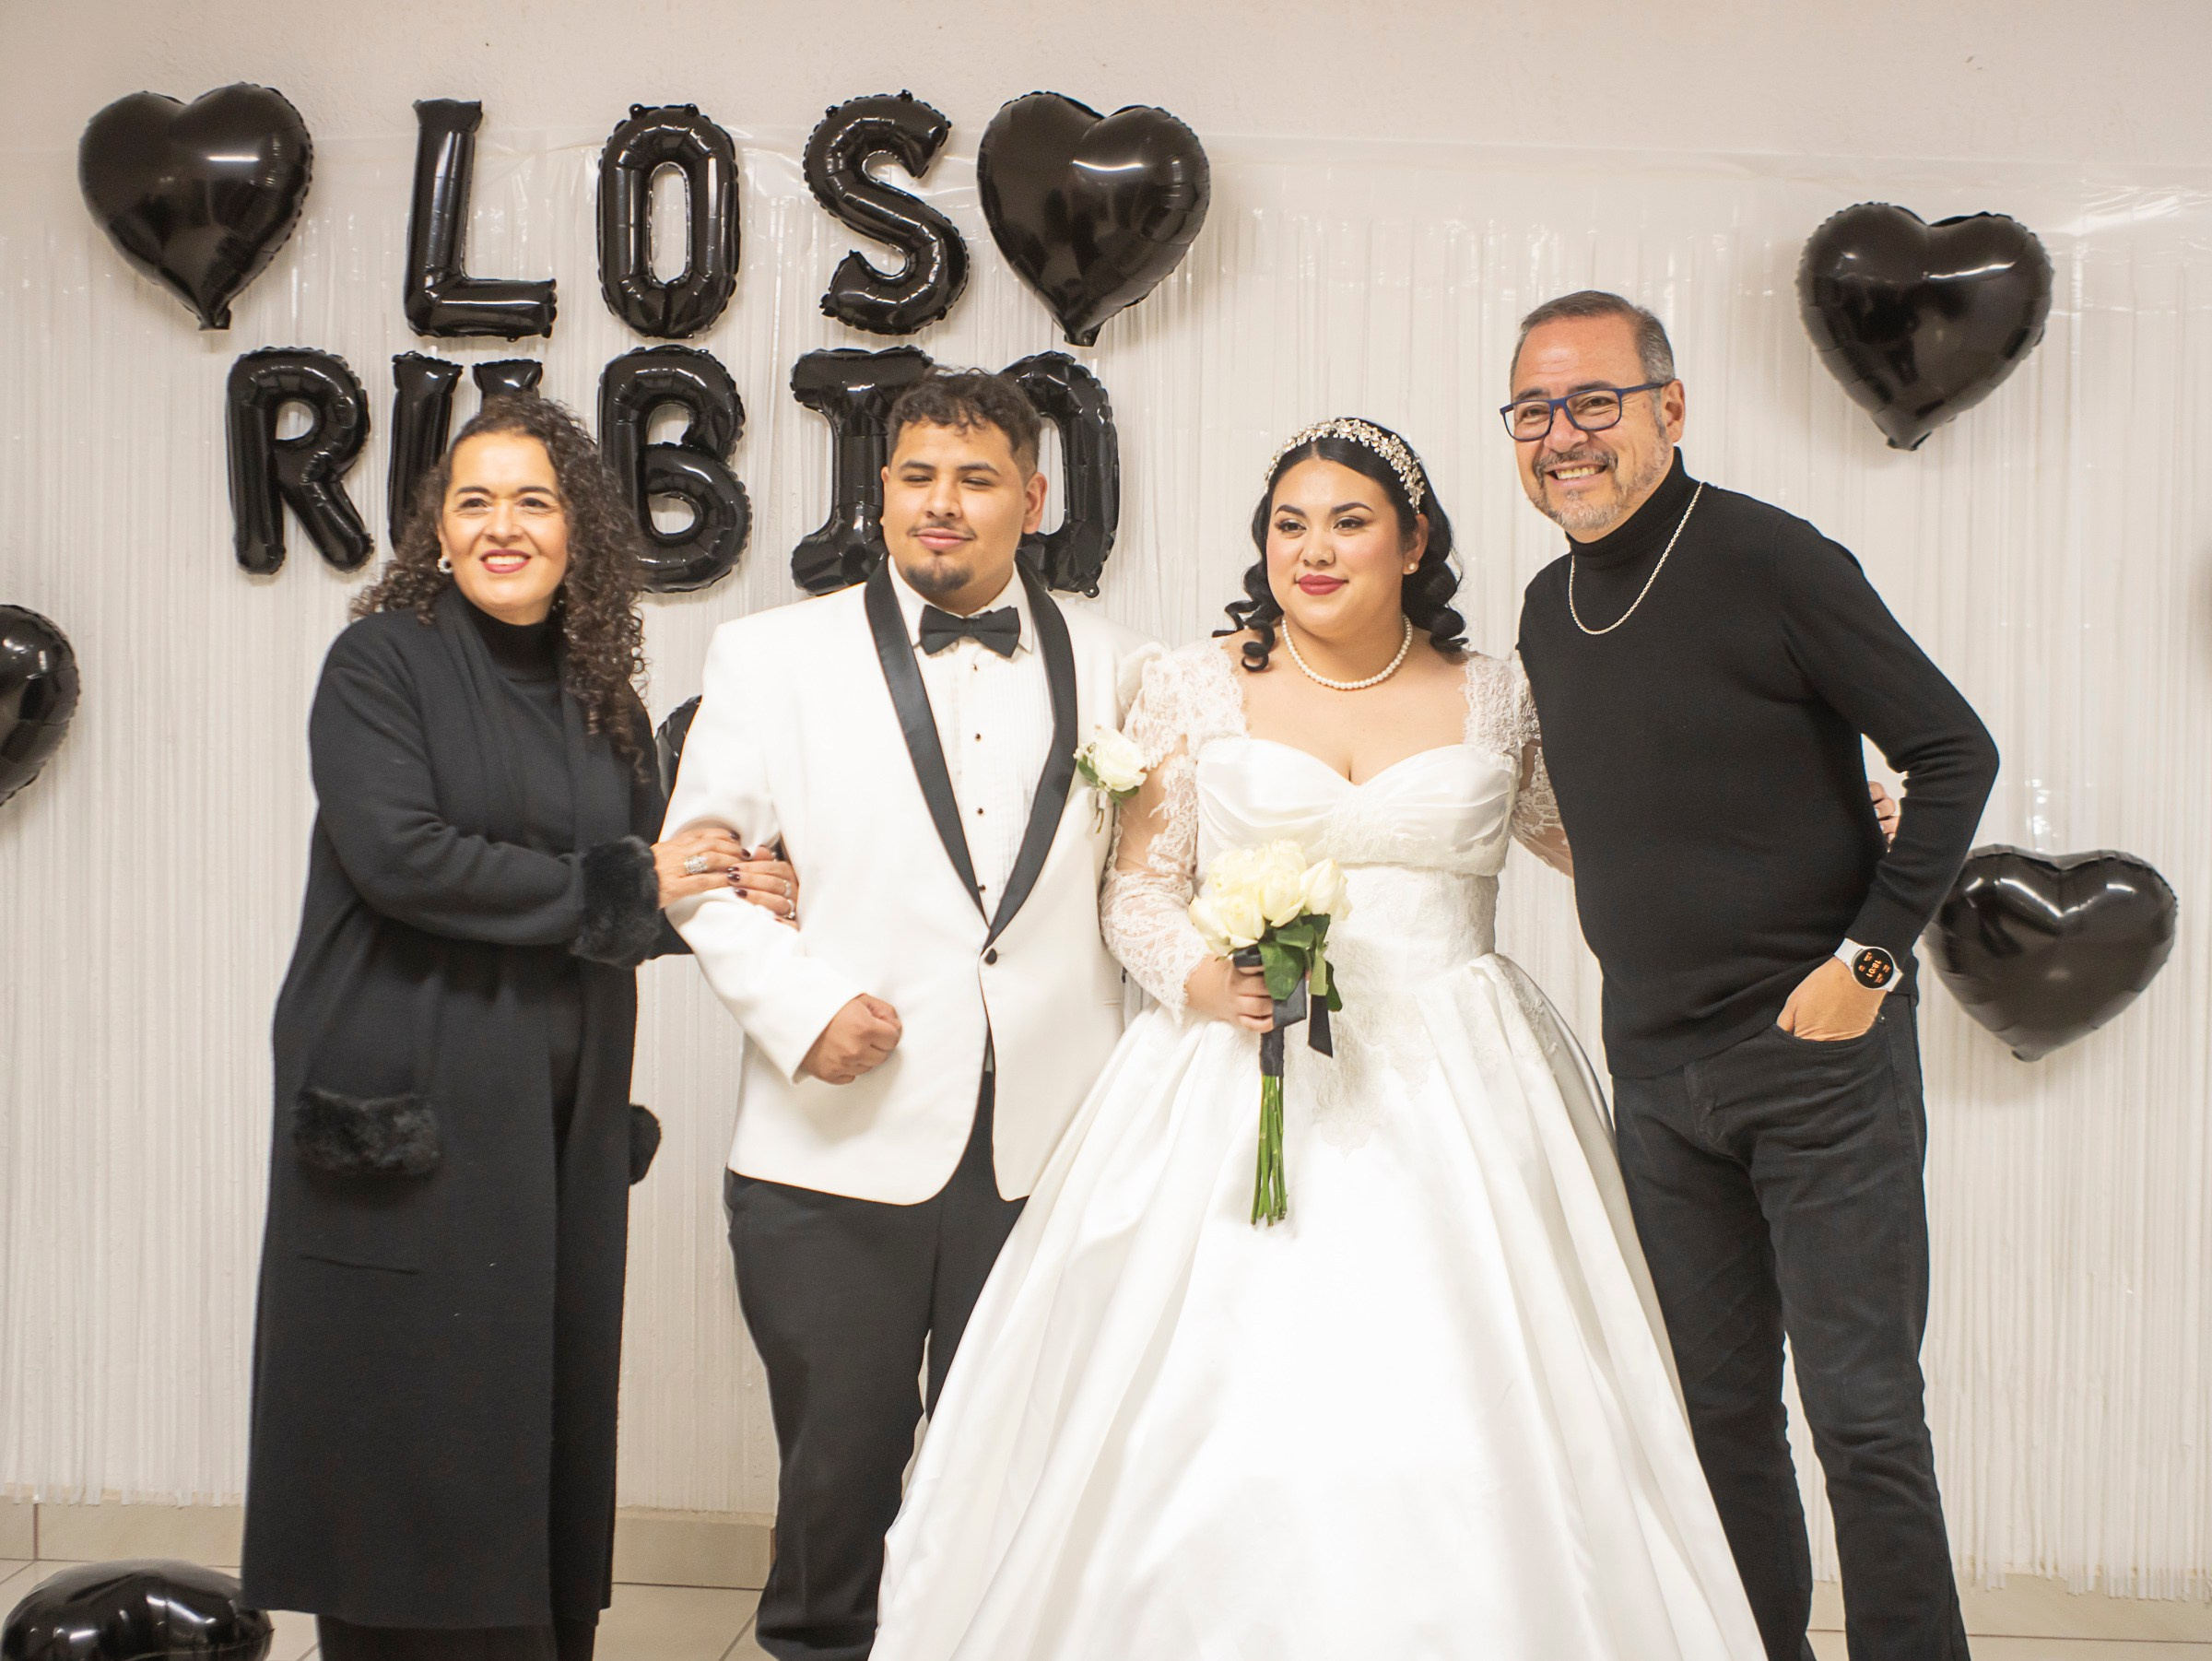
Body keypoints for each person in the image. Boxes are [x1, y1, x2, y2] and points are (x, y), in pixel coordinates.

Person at [868, 417, 1769, 1659]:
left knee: (1477, 1394)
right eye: (1289, 522)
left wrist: (1812, 817)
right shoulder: (1190, 682)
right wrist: (1199, 973)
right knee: (1221, 1398)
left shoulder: (1501, 692)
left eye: (1348, 520)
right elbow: (1137, 885)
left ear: (1415, 541)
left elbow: (1606, 841)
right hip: (1237, 1065)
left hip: (1465, 1073)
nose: (1315, 548)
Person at [241, 396, 796, 1661]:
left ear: (580, 529)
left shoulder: (599, 688)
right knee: (414, 1431)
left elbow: (619, 887)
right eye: (474, 501)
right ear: (435, 529)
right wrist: (637, 885)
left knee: (535, 1421)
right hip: (415, 1105)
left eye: (534, 500)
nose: (503, 526)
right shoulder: (380, 663)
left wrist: (719, 892)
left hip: (554, 1118)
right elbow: (406, 859)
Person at [1511, 291, 2000, 1661]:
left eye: (1595, 400)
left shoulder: (1772, 557)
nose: (1565, 436)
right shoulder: (1549, 608)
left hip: (1819, 1062)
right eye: (1536, 410)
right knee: (1716, 1420)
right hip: (1657, 1082)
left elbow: (1954, 751)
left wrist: (1869, 954)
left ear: (1670, 406)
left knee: (1862, 1412)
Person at [661, 370, 1156, 1661]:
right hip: (837, 1135)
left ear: (1033, 499)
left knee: (1023, 1472)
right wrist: (801, 1004)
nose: (943, 504)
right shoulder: (769, 655)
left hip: (1053, 1141)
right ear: (881, 488)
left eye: (977, 478)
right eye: (918, 475)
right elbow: (701, 865)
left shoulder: (1122, 666)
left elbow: (1152, 878)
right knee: (840, 1476)